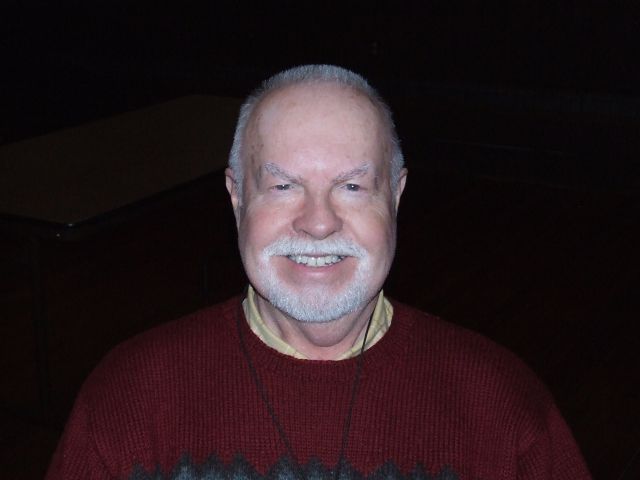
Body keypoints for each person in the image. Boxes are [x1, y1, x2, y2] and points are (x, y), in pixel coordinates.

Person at [46, 65, 591, 480]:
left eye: (351, 187)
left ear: (396, 196)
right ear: (237, 198)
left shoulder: (502, 408)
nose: (318, 222)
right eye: (283, 186)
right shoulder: (130, 399)